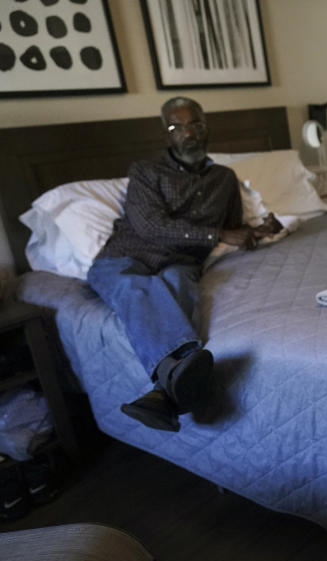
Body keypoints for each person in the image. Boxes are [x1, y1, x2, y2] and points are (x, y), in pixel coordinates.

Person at [87, 96, 271, 433]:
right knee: (134, 288)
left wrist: (252, 233)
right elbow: (150, 227)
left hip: (182, 260)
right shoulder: (146, 171)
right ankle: (179, 373)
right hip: (128, 255)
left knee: (179, 288)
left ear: (206, 128)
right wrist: (220, 233)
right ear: (166, 135)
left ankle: (163, 393)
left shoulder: (225, 179)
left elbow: (233, 228)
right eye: (177, 127)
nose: (188, 133)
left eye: (195, 125)